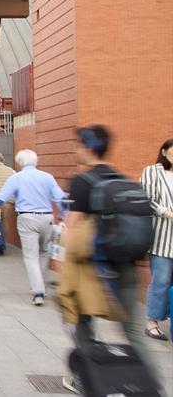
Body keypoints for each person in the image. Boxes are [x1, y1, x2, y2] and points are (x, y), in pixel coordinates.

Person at [61, 125, 162, 392]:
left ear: (89, 148)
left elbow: (71, 230)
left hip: (92, 272)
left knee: (84, 328)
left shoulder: (82, 182)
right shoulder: (124, 180)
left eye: (78, 145)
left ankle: (90, 383)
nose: (75, 150)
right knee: (132, 333)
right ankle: (152, 387)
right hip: (126, 268)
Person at [0, 149, 67, 305]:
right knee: (43, 253)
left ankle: (38, 291)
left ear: (20, 162)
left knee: (31, 256)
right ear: (36, 161)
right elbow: (61, 198)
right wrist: (62, 214)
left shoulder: (17, 178)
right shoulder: (47, 177)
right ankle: (39, 286)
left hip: (27, 218)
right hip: (47, 217)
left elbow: (2, 198)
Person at [140, 137, 173, 341]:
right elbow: (146, 198)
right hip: (162, 238)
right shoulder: (152, 171)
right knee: (161, 281)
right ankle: (152, 321)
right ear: (164, 152)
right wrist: (164, 211)